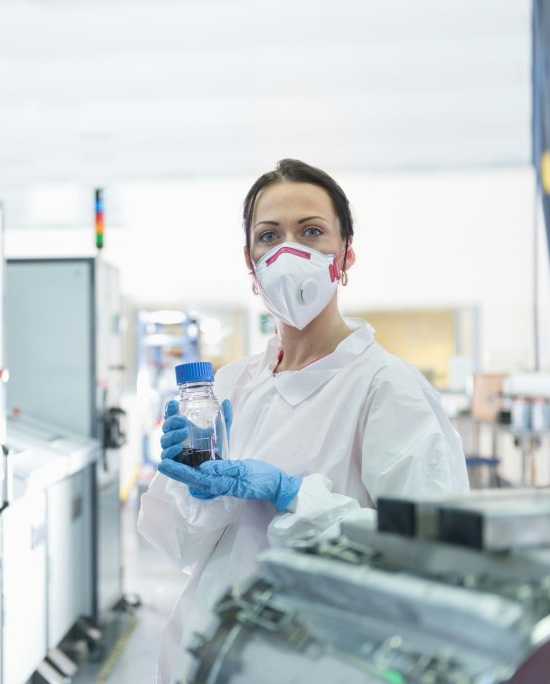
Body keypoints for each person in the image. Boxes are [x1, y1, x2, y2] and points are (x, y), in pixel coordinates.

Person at [137, 158, 470, 683]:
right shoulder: (233, 386)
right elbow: (185, 548)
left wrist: (294, 496)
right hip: (209, 660)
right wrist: (192, 490)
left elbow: (430, 559)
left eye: (311, 232)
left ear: (345, 256)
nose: (288, 252)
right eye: (269, 236)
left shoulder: (386, 389)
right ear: (251, 264)